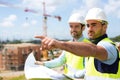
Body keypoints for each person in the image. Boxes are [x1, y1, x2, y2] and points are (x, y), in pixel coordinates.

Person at [35, 7, 120, 80]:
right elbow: (88, 71)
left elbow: (93, 50)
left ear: (104, 27)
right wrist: (66, 76)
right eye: (88, 25)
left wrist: (61, 45)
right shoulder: (86, 45)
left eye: (94, 25)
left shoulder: (109, 46)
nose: (90, 29)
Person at [35, 13, 89, 79]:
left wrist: (70, 76)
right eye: (71, 26)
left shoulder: (88, 45)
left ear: (83, 28)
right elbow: (60, 61)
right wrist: (43, 64)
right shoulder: (67, 44)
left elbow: (88, 70)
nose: (73, 29)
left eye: (76, 26)